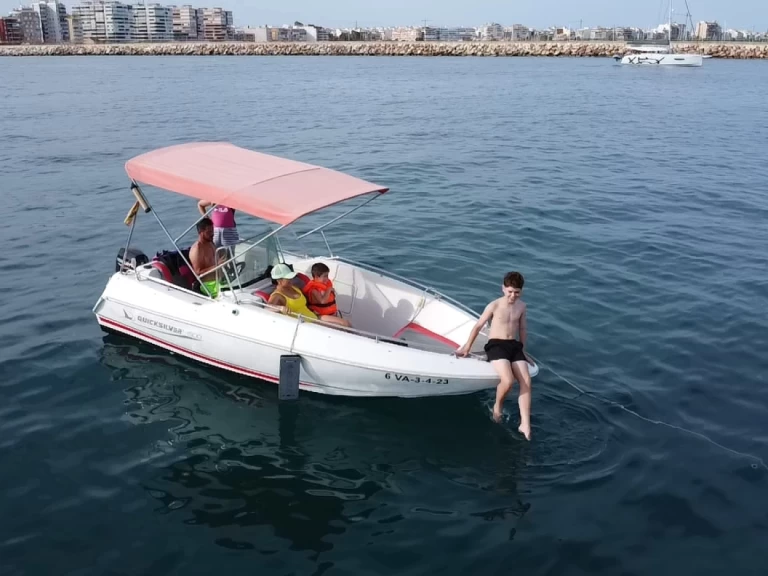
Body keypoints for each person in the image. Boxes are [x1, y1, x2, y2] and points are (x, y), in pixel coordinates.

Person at [456, 271, 531, 440]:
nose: (513, 296)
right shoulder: (494, 305)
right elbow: (478, 326)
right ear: (503, 289)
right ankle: (497, 406)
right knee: (508, 380)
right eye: (510, 291)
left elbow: (523, 329)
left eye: (517, 292)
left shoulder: (522, 307)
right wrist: (467, 348)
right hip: (496, 345)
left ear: (522, 291)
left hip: (514, 346)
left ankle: (525, 423)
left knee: (526, 380)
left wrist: (523, 350)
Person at [267, 263, 351, 329]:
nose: (291, 280)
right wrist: (280, 308)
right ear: (279, 280)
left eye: (291, 277)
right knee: (340, 329)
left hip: (314, 316)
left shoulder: (294, 288)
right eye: (288, 278)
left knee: (345, 323)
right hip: (307, 324)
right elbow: (267, 308)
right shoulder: (277, 295)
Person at [302, 262, 352, 328]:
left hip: (330, 313)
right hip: (319, 315)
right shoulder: (314, 290)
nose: (327, 278)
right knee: (344, 323)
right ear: (316, 277)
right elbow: (322, 301)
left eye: (327, 276)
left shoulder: (325, 286)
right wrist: (329, 290)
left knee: (348, 323)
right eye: (325, 276)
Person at [189, 217, 224, 298]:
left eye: (213, 231)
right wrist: (217, 265)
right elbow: (198, 272)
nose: (212, 234)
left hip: (220, 281)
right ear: (201, 232)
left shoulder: (210, 242)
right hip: (209, 286)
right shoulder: (197, 249)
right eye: (209, 232)